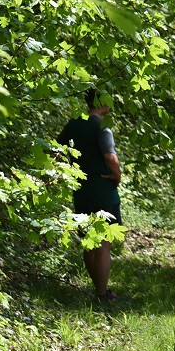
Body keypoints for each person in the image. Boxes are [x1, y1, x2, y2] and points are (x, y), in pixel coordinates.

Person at [57, 88, 122, 304]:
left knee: (88, 242)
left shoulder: (74, 123)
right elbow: (110, 157)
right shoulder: (102, 126)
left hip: (81, 189)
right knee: (103, 241)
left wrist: (71, 169)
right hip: (102, 188)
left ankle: (98, 290)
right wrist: (116, 176)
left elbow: (56, 148)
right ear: (104, 103)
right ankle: (102, 294)